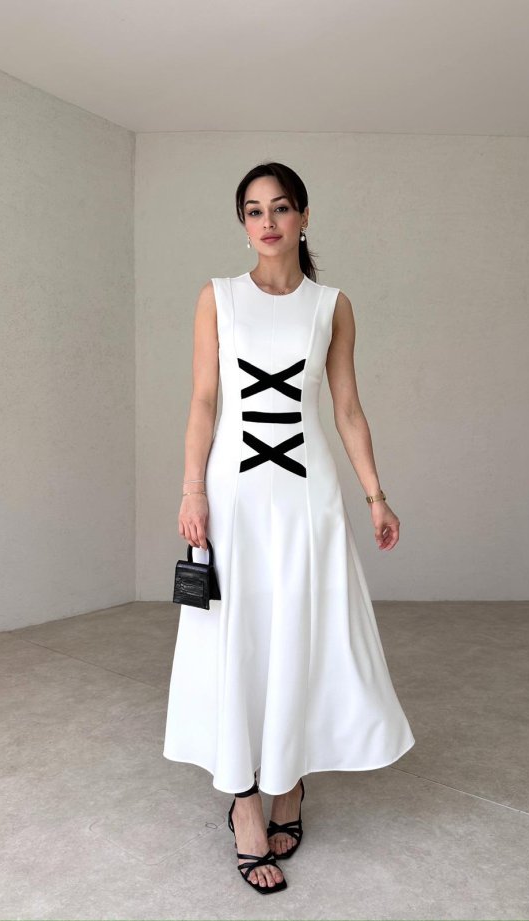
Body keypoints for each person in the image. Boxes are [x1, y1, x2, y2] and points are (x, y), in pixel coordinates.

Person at [163, 161, 415, 894]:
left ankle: (289, 781)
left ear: (303, 216)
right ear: (242, 223)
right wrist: (191, 489)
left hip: (307, 495)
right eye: (253, 210)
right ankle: (245, 803)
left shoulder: (332, 306)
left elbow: (346, 407)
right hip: (233, 493)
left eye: (280, 208)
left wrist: (375, 495)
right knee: (238, 634)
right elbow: (204, 400)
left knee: (301, 632)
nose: (267, 221)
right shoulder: (217, 297)